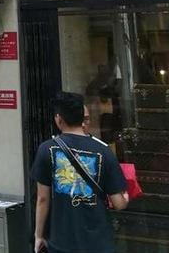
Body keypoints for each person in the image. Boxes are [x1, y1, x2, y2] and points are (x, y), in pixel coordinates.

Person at [31, 91, 129, 253]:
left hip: (61, 242)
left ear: (59, 119)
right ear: (82, 118)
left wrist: (38, 235)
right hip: (98, 243)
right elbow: (119, 203)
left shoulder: (46, 149)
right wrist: (125, 197)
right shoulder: (104, 151)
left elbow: (42, 199)